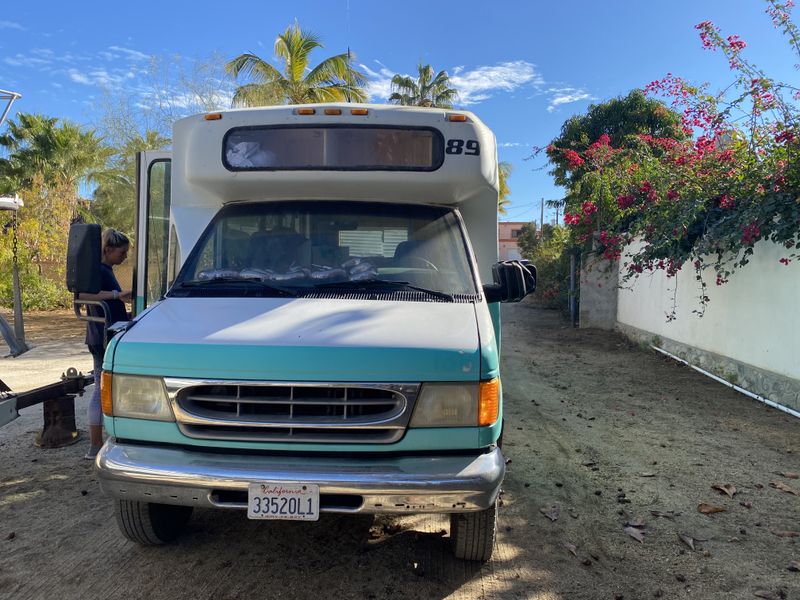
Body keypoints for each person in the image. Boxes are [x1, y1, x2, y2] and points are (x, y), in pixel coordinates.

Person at [77, 229, 131, 459]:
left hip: (107, 334)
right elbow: (85, 295)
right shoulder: (98, 271)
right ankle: (95, 445)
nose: (125, 257)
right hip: (101, 337)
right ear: (108, 250)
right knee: (100, 390)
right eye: (122, 252)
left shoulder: (106, 270)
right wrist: (117, 295)